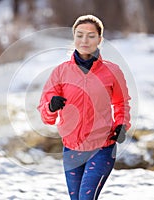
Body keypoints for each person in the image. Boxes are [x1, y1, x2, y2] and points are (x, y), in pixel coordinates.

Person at [37, 14, 131, 200]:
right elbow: (44, 113)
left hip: (102, 148)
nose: (84, 40)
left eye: (91, 35)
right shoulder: (61, 72)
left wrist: (122, 125)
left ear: (100, 39)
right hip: (72, 149)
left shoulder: (112, 71)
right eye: (79, 35)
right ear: (74, 38)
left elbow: (122, 103)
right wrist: (51, 106)